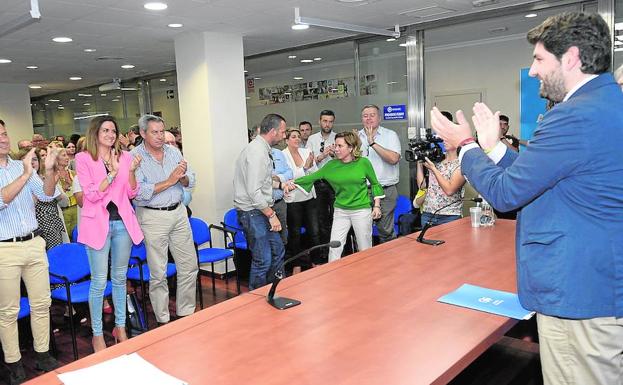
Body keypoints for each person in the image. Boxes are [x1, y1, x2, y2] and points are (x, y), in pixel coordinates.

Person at [430, 12, 623, 385]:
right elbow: (548, 177)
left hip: (578, 292)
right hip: (601, 284)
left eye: (538, 60)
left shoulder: (573, 116)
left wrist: (466, 147)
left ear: (570, 57)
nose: (533, 71)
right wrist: (494, 148)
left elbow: (506, 194)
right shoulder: (606, 105)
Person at [75, 116, 144, 352]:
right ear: (96, 133)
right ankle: (97, 334)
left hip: (122, 223)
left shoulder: (124, 157)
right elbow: (91, 196)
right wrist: (112, 174)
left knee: (120, 279)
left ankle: (121, 327)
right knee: (98, 282)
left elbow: (132, 193)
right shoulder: (83, 159)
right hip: (97, 226)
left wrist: (131, 171)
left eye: (113, 131)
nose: (110, 134)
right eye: (105, 130)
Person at [0, 120, 59, 384]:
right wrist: (25, 174)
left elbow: (46, 196)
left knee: (41, 304)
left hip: (34, 243)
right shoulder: (22, 169)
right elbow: (2, 199)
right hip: (5, 248)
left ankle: (43, 354)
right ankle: (13, 363)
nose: (3, 139)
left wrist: (48, 172)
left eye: (4, 133)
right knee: (8, 311)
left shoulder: (19, 165)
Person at [132, 114, 198, 325]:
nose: (160, 137)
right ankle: (163, 319)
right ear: (143, 133)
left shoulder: (173, 151)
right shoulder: (134, 158)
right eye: (155, 132)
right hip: (152, 216)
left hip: (178, 212)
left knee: (189, 265)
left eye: (162, 131)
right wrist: (169, 181)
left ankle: (186, 312)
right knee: (158, 272)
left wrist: (183, 177)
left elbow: (190, 180)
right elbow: (138, 192)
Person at [291, 132, 383, 262]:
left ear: (351, 148)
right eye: (335, 145)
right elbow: (310, 178)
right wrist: (289, 183)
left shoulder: (364, 163)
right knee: (334, 247)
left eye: (340, 146)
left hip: (361, 211)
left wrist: (377, 206)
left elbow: (375, 184)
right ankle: (332, 276)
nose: (336, 149)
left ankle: (366, 276)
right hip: (341, 211)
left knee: (365, 248)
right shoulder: (331, 166)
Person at [233, 114, 286, 290]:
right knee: (263, 259)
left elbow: (262, 180)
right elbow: (253, 191)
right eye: (283, 132)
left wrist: (280, 184)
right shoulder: (256, 152)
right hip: (253, 212)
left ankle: (272, 291)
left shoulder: (263, 149)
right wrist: (271, 215)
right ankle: (255, 299)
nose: (284, 136)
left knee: (277, 252)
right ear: (273, 131)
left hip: (260, 209)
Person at [358, 104, 401, 243]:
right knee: (362, 232)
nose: (369, 118)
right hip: (361, 191)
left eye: (372, 115)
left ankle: (390, 263)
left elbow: (394, 159)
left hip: (385, 191)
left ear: (380, 118)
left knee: (385, 232)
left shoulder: (390, 135)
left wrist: (372, 143)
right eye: (365, 116)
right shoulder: (356, 137)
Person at [281, 128, 320, 271]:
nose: (297, 139)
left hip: (309, 197)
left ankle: (316, 262)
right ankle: (296, 265)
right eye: (293, 137)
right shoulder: (282, 156)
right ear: (286, 140)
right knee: (295, 234)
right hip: (293, 201)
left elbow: (315, 173)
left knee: (314, 231)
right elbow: (288, 178)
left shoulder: (306, 151)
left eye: (298, 136)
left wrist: (308, 168)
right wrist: (305, 168)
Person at [415, 122, 466, 227]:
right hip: (428, 213)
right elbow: (422, 186)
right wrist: (419, 163)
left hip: (449, 215)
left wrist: (433, 169)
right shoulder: (437, 159)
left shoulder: (461, 164)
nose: (445, 140)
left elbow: (449, 190)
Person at [306, 110, 337, 262]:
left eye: (330, 121)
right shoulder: (312, 139)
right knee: (321, 218)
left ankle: (337, 249)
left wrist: (334, 155)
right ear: (319, 121)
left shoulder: (338, 138)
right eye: (325, 121)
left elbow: (344, 159)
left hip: (334, 182)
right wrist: (323, 155)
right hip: (318, 183)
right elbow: (309, 163)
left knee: (336, 216)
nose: (327, 124)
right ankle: (324, 251)